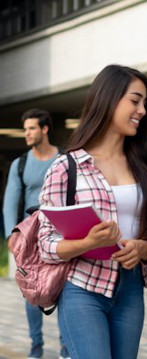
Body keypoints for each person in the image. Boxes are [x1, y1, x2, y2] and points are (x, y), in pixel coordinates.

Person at [37, 64, 147, 359]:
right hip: (82, 288)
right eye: (135, 100)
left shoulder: (145, 168)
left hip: (131, 290)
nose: (143, 110)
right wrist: (88, 243)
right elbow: (45, 244)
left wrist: (145, 249)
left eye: (145, 103)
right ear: (109, 99)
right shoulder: (67, 167)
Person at [2, 109, 70, 359]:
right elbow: (10, 200)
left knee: (64, 289)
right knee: (32, 292)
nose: (27, 134)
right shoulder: (20, 165)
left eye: (31, 128)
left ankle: (66, 346)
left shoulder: (64, 159)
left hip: (61, 235)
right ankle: (36, 346)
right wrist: (12, 234)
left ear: (44, 129)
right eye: (25, 129)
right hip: (30, 238)